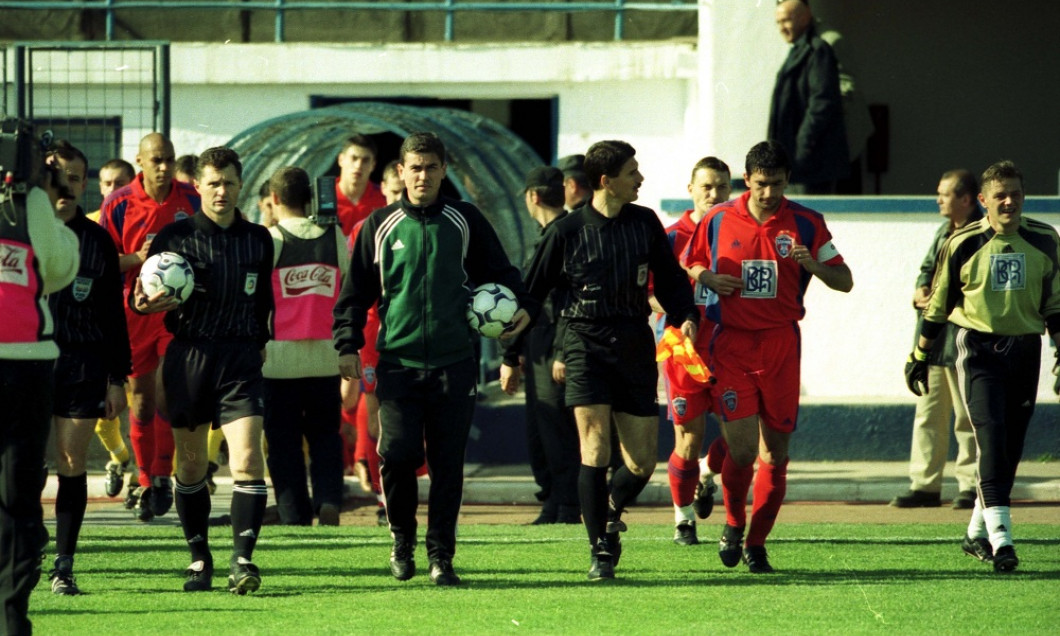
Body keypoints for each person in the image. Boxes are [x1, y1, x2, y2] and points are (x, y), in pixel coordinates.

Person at [333, 131, 533, 586]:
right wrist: (346, 344)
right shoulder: (378, 227)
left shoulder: (466, 221)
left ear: (444, 171)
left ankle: (441, 555)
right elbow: (352, 295)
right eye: (414, 168)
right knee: (398, 456)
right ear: (400, 172)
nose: (422, 176)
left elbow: (503, 278)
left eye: (431, 167)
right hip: (398, 364)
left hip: (453, 363)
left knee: (447, 464)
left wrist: (515, 329)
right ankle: (402, 540)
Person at [514, 140, 698, 580]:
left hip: (634, 343)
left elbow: (671, 279)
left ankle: (612, 507)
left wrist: (686, 314)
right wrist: (509, 347)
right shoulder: (566, 231)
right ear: (606, 181)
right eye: (632, 171)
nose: (640, 178)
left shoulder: (645, 222)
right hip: (584, 343)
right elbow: (531, 293)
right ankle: (599, 549)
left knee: (640, 464)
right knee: (593, 445)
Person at [683, 140, 853, 573]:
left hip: (780, 345)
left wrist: (811, 265)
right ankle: (735, 524)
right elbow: (691, 262)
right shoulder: (720, 219)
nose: (768, 193)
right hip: (733, 343)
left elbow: (845, 279)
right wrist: (709, 277)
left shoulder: (807, 223)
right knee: (741, 453)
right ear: (747, 180)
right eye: (760, 185)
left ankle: (757, 544)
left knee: (775, 455)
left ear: (786, 181)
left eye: (776, 184)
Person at [905, 160, 1060, 573]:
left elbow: (1056, 308)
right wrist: (919, 355)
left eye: (1016, 194)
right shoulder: (962, 242)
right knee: (990, 439)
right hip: (977, 348)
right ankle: (1003, 539)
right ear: (983, 201)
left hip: (1025, 349)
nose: (1009, 201)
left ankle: (976, 532)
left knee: (1009, 449)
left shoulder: (1045, 239)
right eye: (1001, 195)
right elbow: (937, 308)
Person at [132, 146, 274, 593]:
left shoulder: (259, 239)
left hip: (241, 360)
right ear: (197, 186)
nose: (221, 191)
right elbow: (140, 297)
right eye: (212, 183)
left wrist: (261, 342)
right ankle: (200, 559)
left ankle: (242, 561)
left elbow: (264, 301)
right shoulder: (172, 239)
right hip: (189, 359)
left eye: (229, 182)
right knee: (191, 468)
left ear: (240, 184)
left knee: (249, 460)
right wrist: (143, 302)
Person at [43, 141, 132, 595]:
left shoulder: (96, 240)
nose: (67, 186)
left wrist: (118, 376)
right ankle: (23, 543)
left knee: (71, 461)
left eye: (76, 178)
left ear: (85, 183)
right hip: (25, 363)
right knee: (21, 465)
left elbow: (112, 316)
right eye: (60, 176)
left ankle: (64, 564)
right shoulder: (18, 232)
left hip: (82, 363)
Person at [0, 133, 80, 636]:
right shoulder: (30, 205)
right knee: (19, 492)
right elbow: (59, 268)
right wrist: (47, 204)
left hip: (24, 364)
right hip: (25, 363)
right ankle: (10, 614)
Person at [99, 132, 200, 522]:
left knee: (167, 390)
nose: (163, 167)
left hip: (177, 312)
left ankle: (161, 472)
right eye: (156, 160)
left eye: (169, 159)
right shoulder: (119, 203)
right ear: (139, 162)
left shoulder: (191, 199)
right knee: (140, 397)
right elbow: (103, 260)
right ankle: (146, 478)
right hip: (134, 311)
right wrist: (136, 259)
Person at [891, 170, 982, 510]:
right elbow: (927, 269)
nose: (938, 199)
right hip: (932, 340)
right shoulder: (943, 232)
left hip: (963, 339)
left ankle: (971, 485)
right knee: (928, 413)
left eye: (945, 194)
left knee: (966, 416)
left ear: (966, 199)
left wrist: (945, 300)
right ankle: (925, 484)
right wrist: (920, 290)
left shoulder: (982, 235)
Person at [261, 166, 347, 526]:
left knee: (284, 445)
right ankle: (328, 498)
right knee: (327, 436)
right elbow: (348, 286)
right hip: (327, 357)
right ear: (310, 198)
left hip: (279, 360)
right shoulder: (335, 235)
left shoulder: (270, 239)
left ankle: (294, 513)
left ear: (275, 199)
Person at [499, 166, 581, 525]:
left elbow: (563, 301)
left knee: (555, 429)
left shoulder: (563, 235)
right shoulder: (555, 234)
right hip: (537, 345)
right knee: (540, 430)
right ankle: (552, 500)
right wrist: (514, 351)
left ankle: (565, 506)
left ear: (533, 196)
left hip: (553, 346)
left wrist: (561, 352)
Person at [659, 156, 732, 545]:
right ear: (691, 189)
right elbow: (648, 294)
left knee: (743, 434)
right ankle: (683, 519)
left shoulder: (737, 233)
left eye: (722, 186)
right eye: (707, 186)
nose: (715, 194)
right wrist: (678, 312)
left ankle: (708, 470)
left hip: (733, 347)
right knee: (686, 440)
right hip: (683, 351)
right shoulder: (671, 238)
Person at [86, 157, 136, 497]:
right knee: (104, 410)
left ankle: (150, 479)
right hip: (103, 325)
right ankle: (120, 458)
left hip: (142, 320)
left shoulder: (139, 218)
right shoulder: (88, 224)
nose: (111, 190)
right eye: (106, 183)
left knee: (153, 404)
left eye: (119, 184)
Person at [768, 0, 848, 194]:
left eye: (787, 20)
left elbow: (821, 105)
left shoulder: (818, 50)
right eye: (778, 22)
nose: (782, 28)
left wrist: (800, 153)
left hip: (810, 168)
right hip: (794, 165)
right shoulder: (799, 50)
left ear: (805, 17)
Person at [334, 134, 387, 237]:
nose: (358, 165)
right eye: (354, 158)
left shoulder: (384, 197)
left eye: (365, 160)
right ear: (341, 160)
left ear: (373, 165)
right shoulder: (325, 199)